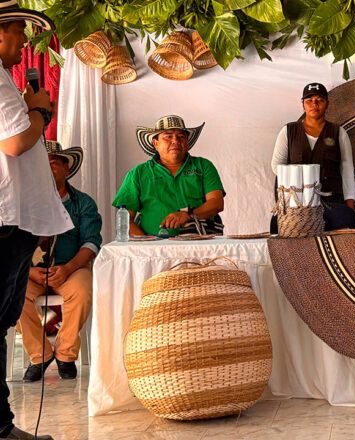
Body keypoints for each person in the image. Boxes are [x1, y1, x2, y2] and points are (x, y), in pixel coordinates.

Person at [0, 2, 68, 438]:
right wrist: (40, 111)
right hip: (4, 222)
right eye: (19, 31)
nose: (26, 41)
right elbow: (14, 144)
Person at [19, 142, 101, 382]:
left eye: (53, 162)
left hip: (71, 268)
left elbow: (91, 242)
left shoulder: (83, 203)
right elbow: (12, 243)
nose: (46, 167)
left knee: (83, 291)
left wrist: (68, 268)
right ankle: (40, 355)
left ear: (67, 167)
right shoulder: (22, 203)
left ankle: (66, 354)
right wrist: (30, 271)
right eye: (40, 163)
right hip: (31, 271)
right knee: (14, 294)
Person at [113, 115, 225, 237]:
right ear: (155, 143)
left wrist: (188, 215)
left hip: (200, 245)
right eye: (168, 136)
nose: (175, 140)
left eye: (181, 136)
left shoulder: (203, 166)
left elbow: (216, 203)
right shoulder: (138, 173)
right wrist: (147, 245)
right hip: (153, 250)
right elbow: (125, 220)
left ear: (187, 142)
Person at [270, 83, 355, 230]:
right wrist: (300, 182)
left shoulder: (338, 133)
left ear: (327, 104)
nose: (314, 104)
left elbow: (347, 170)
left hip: (330, 202)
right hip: (296, 205)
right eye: (309, 100)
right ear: (303, 104)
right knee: (276, 226)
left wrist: (350, 205)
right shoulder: (288, 131)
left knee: (347, 219)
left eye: (319, 100)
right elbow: (276, 166)